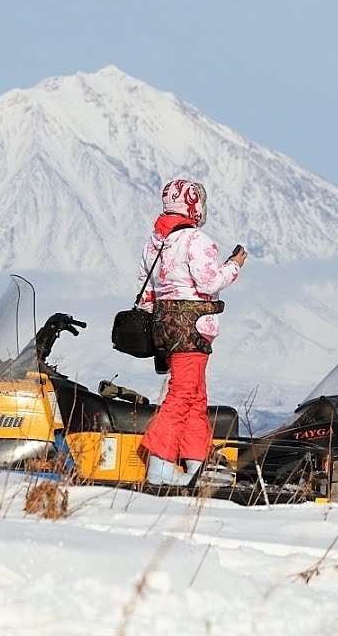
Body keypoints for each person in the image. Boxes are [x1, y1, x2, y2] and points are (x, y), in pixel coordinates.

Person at [136, 177, 247, 486]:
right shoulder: (195, 240)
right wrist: (234, 265)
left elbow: (147, 297)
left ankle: (197, 462)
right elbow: (210, 283)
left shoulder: (155, 243)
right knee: (183, 393)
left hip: (165, 329)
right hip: (192, 329)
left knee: (196, 396)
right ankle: (159, 464)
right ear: (194, 205)